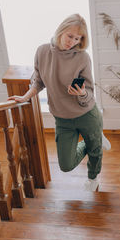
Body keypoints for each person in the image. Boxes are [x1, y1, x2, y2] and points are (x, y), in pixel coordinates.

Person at [8, 14, 111, 192]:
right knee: (66, 164)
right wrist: (25, 97)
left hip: (87, 114)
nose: (73, 41)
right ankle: (94, 140)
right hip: (62, 118)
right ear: (61, 30)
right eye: (70, 36)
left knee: (96, 153)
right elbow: (39, 81)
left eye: (78, 38)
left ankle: (93, 178)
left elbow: (89, 92)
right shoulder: (42, 51)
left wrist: (81, 93)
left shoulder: (82, 57)